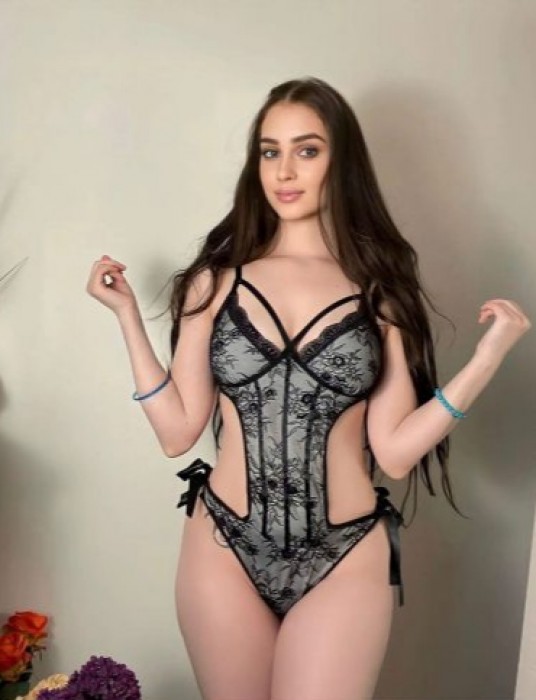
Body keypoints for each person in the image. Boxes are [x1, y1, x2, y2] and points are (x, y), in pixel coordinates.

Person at [86, 77, 531, 700]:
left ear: (340, 161)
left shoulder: (381, 292)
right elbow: (177, 433)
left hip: (346, 553)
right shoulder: (213, 284)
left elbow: (396, 453)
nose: (284, 171)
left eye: (308, 150)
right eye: (270, 151)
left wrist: (487, 358)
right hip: (224, 544)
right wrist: (128, 318)